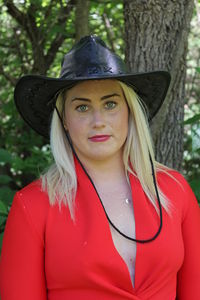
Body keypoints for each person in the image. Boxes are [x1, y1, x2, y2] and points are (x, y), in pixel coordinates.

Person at [0, 35, 200, 300]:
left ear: (130, 111)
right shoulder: (33, 206)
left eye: (110, 104)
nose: (98, 121)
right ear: (64, 120)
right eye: (82, 107)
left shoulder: (175, 191)